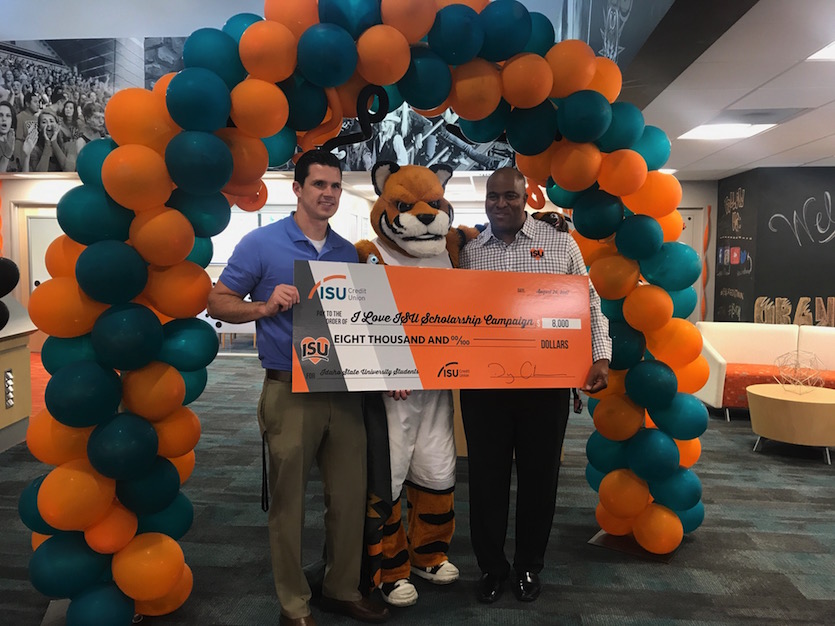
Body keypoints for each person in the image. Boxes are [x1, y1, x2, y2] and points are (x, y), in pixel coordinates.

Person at [206, 150, 390, 626]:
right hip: (288, 392)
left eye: (334, 186)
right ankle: (294, 605)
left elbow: (356, 325)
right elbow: (219, 300)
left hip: (342, 390)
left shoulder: (347, 252)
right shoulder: (261, 244)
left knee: (349, 498)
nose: (327, 194)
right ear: (298, 189)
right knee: (288, 504)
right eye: (318, 185)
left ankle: (341, 588)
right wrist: (264, 308)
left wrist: (389, 368)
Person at [458, 167, 612, 604]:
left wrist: (600, 354)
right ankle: (491, 568)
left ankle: (528, 566)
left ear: (526, 198)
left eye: (509, 196)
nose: (500, 204)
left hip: (545, 386)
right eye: (493, 196)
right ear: (485, 200)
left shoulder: (561, 244)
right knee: (485, 479)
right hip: (484, 387)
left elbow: (589, 300)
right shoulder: (469, 252)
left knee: (539, 479)